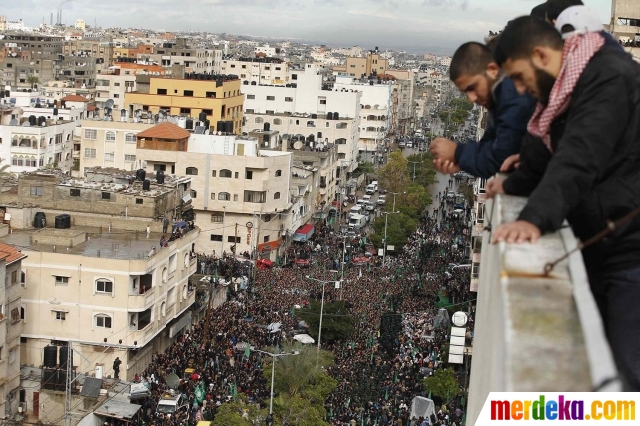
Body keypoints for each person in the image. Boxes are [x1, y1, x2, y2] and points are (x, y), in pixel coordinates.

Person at [489, 16, 640, 390]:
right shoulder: (566, 86)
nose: (521, 89)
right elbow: (546, 148)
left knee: (626, 371)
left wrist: (534, 219)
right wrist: (513, 185)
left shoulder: (608, 76)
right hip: (605, 242)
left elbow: (579, 154)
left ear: (540, 54)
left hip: (632, 250)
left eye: (521, 77)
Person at [429, 42, 536, 179]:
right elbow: (491, 143)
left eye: (472, 87)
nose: (471, 98)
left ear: (492, 70)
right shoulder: (498, 96)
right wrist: (460, 161)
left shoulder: (514, 95)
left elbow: (501, 157)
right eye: (466, 92)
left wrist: (457, 152)